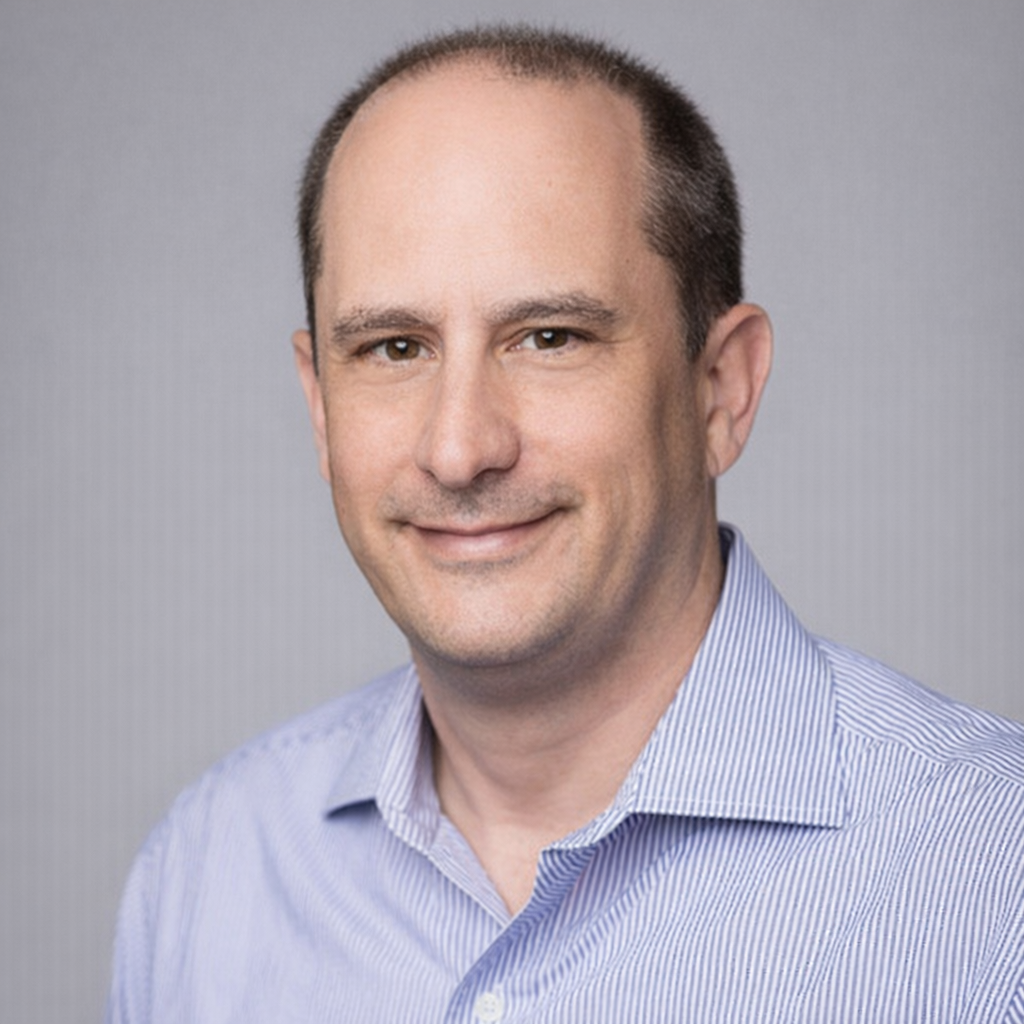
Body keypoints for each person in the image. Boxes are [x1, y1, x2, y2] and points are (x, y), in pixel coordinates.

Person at [107, 25, 1024, 1022]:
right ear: (320, 405)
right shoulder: (209, 873)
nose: (459, 448)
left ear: (720, 389)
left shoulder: (992, 877)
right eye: (394, 348)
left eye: (549, 337)